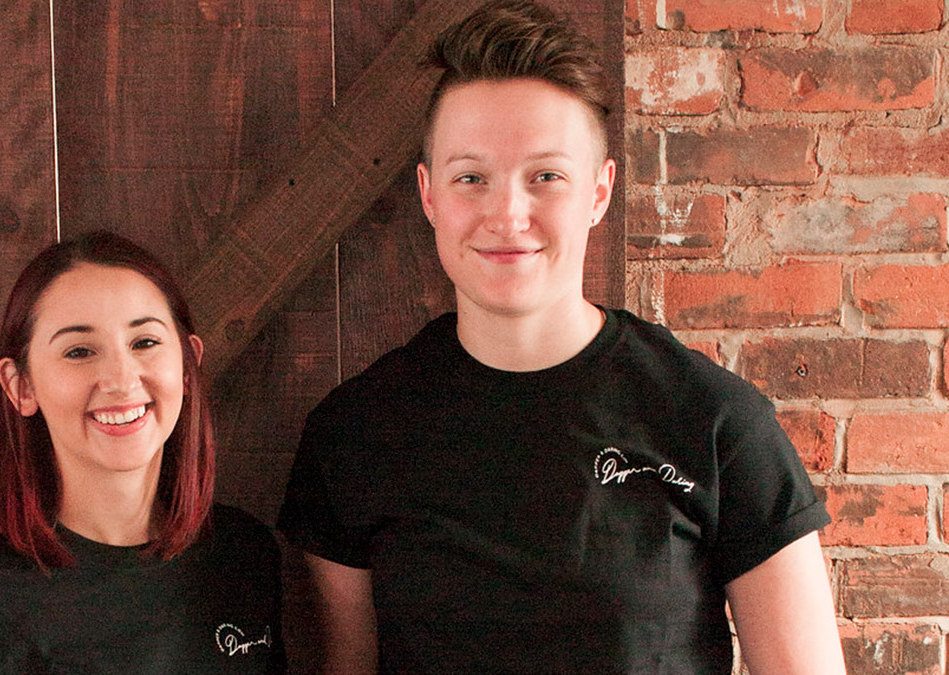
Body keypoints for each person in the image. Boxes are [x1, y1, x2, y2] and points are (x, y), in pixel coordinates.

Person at [277, 1, 845, 673]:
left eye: (545, 176)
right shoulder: (353, 433)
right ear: (429, 194)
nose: (507, 213)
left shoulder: (714, 421)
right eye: (471, 177)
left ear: (599, 191)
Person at [0, 231, 285, 673]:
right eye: (80, 351)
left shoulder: (245, 554)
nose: (122, 379)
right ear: (21, 386)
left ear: (187, 365)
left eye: (145, 342)